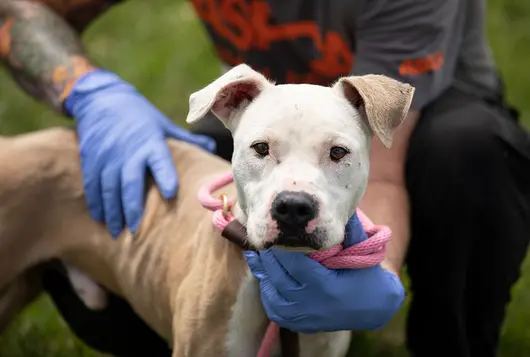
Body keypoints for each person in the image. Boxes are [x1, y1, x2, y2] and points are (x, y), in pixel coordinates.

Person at [1, 1, 529, 357]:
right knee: (153, 265)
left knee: (466, 153)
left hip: (421, 121)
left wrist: (378, 276)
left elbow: (385, 178)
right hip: (270, 113)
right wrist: (88, 89)